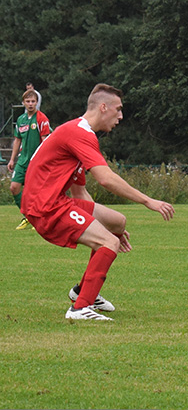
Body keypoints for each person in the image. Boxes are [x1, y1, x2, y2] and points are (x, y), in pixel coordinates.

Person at [21, 83, 175, 321]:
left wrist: (106, 228)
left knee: (116, 222)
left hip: (54, 201)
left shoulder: (78, 133)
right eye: (118, 109)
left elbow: (79, 192)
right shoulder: (79, 133)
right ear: (104, 107)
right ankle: (80, 308)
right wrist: (148, 201)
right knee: (108, 243)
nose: (121, 116)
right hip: (46, 207)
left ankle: (82, 291)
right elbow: (105, 179)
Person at [8, 89, 51, 230]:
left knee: (35, 191)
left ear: (37, 103)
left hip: (36, 161)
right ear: (23, 103)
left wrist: (45, 160)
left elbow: (45, 142)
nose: (30, 104)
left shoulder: (41, 118)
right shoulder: (20, 120)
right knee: (14, 188)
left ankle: (39, 217)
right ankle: (28, 215)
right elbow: (17, 141)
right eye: (28, 101)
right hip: (22, 160)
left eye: (33, 101)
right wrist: (12, 160)